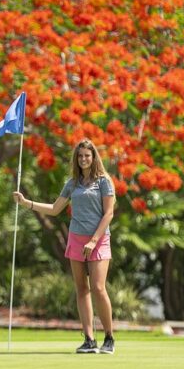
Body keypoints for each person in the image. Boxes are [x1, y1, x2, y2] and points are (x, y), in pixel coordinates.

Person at [14, 138, 116, 354]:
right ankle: (89, 339)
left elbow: (109, 214)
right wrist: (26, 203)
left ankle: (109, 337)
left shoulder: (104, 181)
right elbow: (54, 208)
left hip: (98, 239)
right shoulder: (72, 183)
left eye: (87, 155)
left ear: (94, 157)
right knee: (81, 289)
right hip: (76, 238)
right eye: (80, 156)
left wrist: (94, 240)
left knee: (98, 287)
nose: (83, 159)